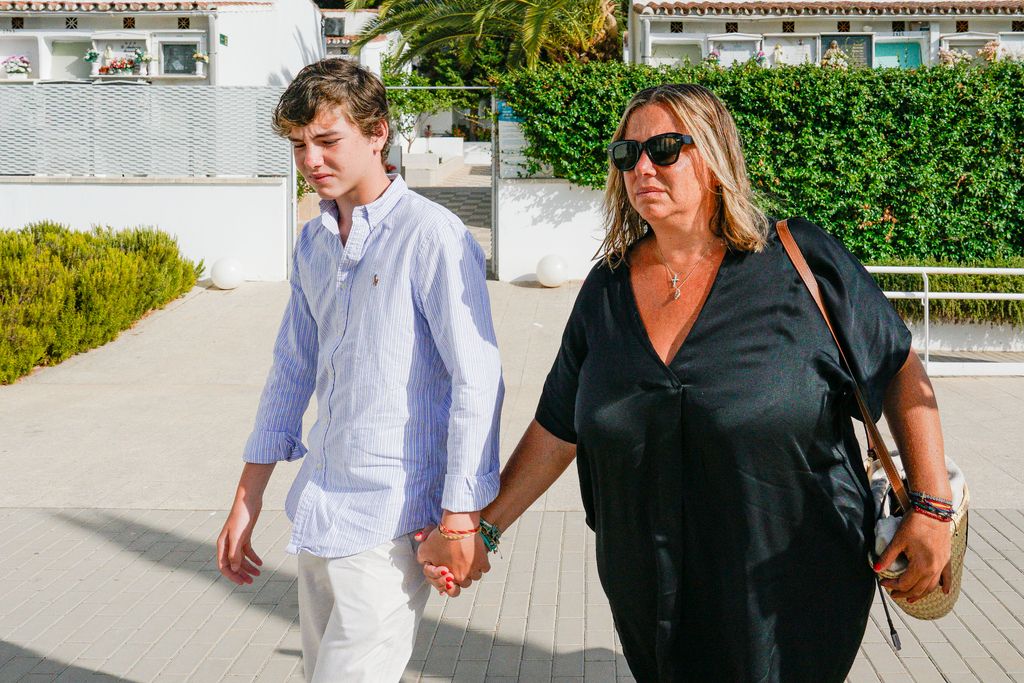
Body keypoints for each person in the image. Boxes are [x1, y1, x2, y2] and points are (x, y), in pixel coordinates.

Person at [421, 83, 952, 682]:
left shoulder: (801, 261)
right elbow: (559, 425)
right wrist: (479, 529)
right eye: (627, 154)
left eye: (666, 149)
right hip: (651, 591)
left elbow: (901, 369)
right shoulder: (607, 289)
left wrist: (931, 508)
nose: (642, 166)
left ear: (717, 156)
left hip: (793, 585)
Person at [215, 58, 503, 682]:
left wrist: (461, 516)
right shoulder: (315, 240)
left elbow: (476, 378)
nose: (311, 160)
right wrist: (248, 498)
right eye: (298, 145)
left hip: (394, 524)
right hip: (320, 510)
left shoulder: (433, 236)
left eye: (327, 141)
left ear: (377, 133)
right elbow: (291, 367)